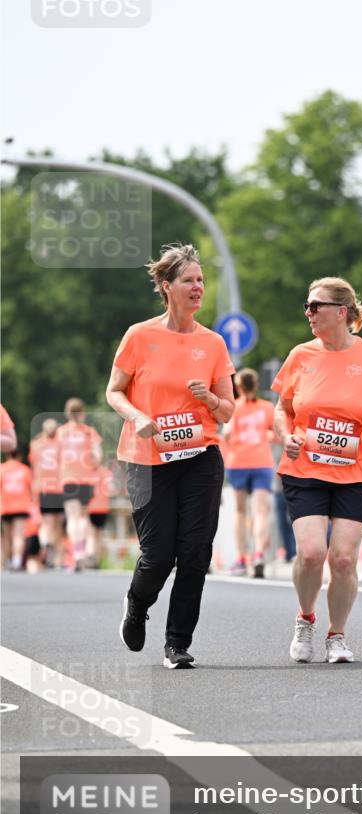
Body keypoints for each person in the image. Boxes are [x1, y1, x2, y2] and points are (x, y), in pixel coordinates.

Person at [106, 243, 235, 669]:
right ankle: (138, 602)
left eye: (201, 280)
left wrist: (211, 400)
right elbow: (114, 391)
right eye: (188, 281)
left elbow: (229, 409)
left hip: (200, 454)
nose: (198, 287)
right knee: (159, 554)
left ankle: (177, 642)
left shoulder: (213, 343)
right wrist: (137, 415)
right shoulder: (140, 336)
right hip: (147, 456)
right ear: (167, 287)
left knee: (195, 551)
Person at [272, 276, 362, 664]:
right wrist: (285, 435)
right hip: (305, 465)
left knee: (342, 559)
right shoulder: (300, 355)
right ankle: (306, 618)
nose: (308, 313)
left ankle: (337, 635)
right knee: (311, 553)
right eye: (306, 306)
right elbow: (282, 409)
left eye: (316, 306)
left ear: (341, 312)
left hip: (357, 468)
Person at [223, 368, 275, 578]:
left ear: (238, 387)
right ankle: (260, 555)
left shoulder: (234, 407)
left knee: (240, 511)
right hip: (262, 461)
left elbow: (226, 433)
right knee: (260, 511)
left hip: (238, 462)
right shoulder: (267, 407)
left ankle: (242, 558)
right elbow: (274, 431)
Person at [56, 398, 103, 572]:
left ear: (67, 413)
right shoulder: (89, 432)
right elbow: (98, 456)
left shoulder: (61, 432)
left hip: (68, 480)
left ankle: (75, 554)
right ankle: (82, 553)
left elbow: (54, 456)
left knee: (72, 516)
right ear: (82, 412)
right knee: (83, 517)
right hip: (86, 480)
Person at [29, 417, 65, 567]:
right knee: (58, 524)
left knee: (47, 522)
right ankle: (56, 557)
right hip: (59, 487)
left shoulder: (36, 445)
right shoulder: (61, 445)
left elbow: (33, 465)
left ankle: (45, 542)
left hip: (42, 487)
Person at [1, 450, 33, 570]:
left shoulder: (2, 469)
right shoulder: (25, 470)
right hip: (21, 507)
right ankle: (17, 561)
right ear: (19, 456)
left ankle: (8, 560)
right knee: (18, 535)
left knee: (7, 536)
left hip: (5, 507)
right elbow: (31, 488)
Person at [87, 463, 117, 568]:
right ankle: (96, 560)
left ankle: (92, 556)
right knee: (97, 534)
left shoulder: (86, 471)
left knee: (92, 533)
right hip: (102, 507)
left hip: (91, 507)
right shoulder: (105, 472)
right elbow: (111, 488)